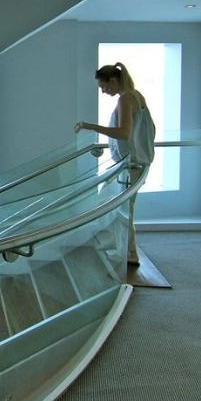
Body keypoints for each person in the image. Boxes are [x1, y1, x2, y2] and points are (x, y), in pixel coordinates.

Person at [73, 62, 155, 266]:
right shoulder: (136, 95)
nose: (103, 91)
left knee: (119, 209)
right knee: (120, 208)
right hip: (135, 162)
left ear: (112, 80)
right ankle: (124, 250)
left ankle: (129, 253)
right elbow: (148, 129)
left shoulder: (125, 99)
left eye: (103, 86)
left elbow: (123, 133)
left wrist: (90, 126)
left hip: (130, 164)